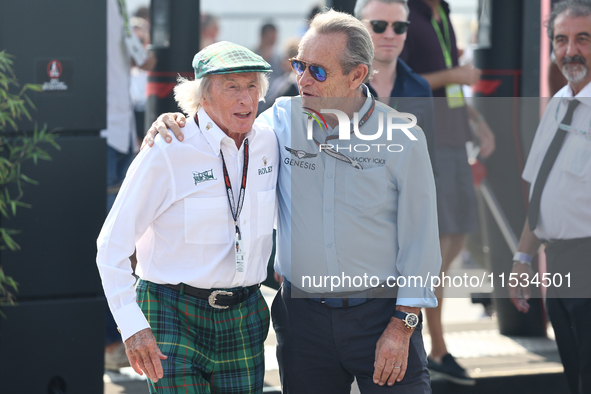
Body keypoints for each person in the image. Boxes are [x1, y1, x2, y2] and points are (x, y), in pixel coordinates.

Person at [145, 9, 441, 393]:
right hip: (302, 323)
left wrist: (402, 327)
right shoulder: (279, 120)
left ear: (357, 76)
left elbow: (422, 241)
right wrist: (177, 122)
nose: (301, 80)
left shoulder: (402, 138)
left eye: (318, 71)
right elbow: (220, 130)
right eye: (299, 65)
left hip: (382, 317)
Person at [96, 41, 279, 393]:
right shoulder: (168, 148)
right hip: (171, 311)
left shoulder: (271, 141)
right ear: (202, 96)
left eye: (252, 86)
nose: (246, 98)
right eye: (232, 87)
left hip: (244, 315)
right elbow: (111, 246)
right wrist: (132, 325)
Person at [399, 0, 495, 385]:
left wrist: (476, 119)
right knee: (436, 247)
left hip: (455, 135)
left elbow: (452, 84)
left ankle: (432, 343)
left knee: (454, 241)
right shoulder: (407, 13)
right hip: (428, 137)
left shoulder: (443, 13)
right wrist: (454, 72)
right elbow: (403, 77)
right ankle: (434, 346)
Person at [509, 2, 591, 393]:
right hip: (558, 261)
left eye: (583, 39)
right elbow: (542, 191)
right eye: (561, 39)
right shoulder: (559, 103)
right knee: (574, 375)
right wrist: (524, 256)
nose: (570, 50)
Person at [354, 0, 436, 168]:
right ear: (359, 28)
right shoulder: (341, 85)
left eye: (399, 26)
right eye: (378, 25)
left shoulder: (420, 88)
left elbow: (428, 163)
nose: (390, 35)